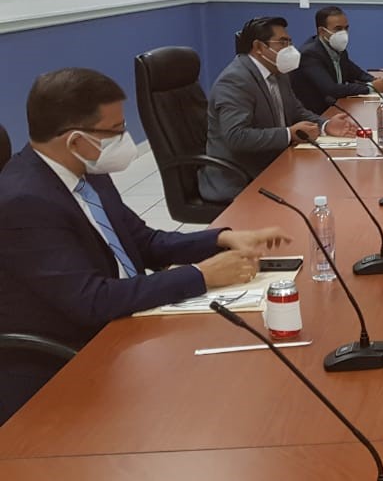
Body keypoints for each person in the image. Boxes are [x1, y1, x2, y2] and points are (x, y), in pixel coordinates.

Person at [0, 68, 292, 424]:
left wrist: (220, 238)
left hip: (127, 324)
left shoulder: (85, 170)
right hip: (66, 363)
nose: (125, 138)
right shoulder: (24, 201)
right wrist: (201, 275)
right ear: (75, 141)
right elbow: (92, 301)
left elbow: (144, 241)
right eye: (115, 131)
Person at [199, 16, 357, 203]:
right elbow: (236, 136)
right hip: (240, 177)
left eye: (289, 42)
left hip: (275, 163)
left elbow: (296, 110)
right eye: (282, 42)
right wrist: (289, 134)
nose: (289, 48)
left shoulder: (277, 71)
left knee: (330, 185)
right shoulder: (235, 80)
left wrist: (325, 125)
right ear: (259, 47)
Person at [293, 6, 383, 114]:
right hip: (318, 114)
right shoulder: (309, 54)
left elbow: (357, 73)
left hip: (338, 108)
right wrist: (370, 87)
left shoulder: (338, 49)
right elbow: (332, 89)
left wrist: (376, 80)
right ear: (321, 31)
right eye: (338, 29)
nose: (344, 33)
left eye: (346, 28)